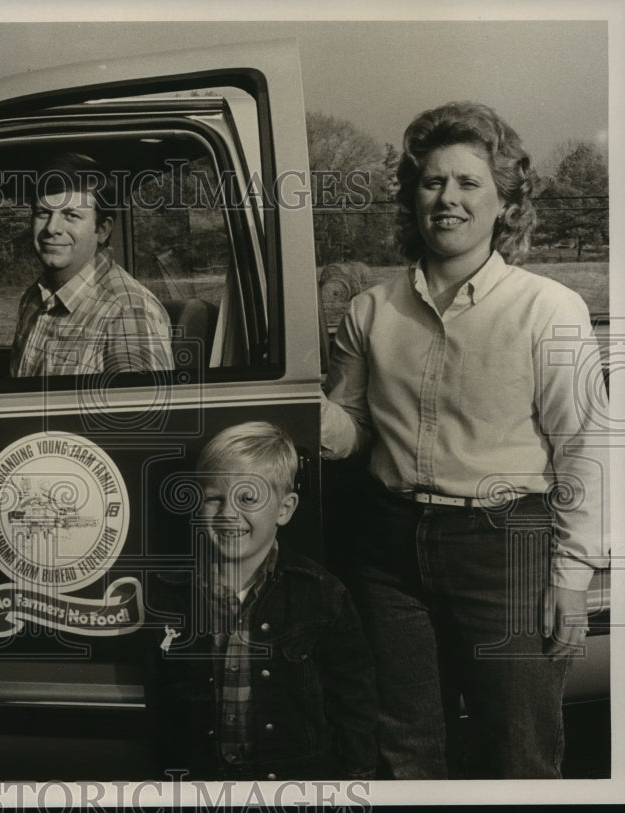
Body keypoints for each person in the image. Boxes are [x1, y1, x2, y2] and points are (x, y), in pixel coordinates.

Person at [321, 101, 608, 778]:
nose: (447, 198)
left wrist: (570, 579)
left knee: (517, 751)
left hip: (505, 550)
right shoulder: (371, 310)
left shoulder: (548, 310)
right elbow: (353, 428)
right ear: (411, 197)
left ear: (506, 202)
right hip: (387, 553)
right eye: (431, 182)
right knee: (403, 749)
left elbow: (587, 450)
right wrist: (300, 411)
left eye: (468, 183)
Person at [147, 421, 378, 780]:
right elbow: (162, 706)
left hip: (292, 787)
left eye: (248, 498)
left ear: (284, 509)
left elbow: (354, 701)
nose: (227, 514)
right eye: (214, 498)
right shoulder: (171, 593)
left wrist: (355, 781)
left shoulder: (321, 594)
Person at [9, 151, 174, 376]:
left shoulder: (127, 312)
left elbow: (140, 410)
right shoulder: (33, 298)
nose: (51, 228)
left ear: (103, 229)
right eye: (43, 213)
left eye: (71, 216)